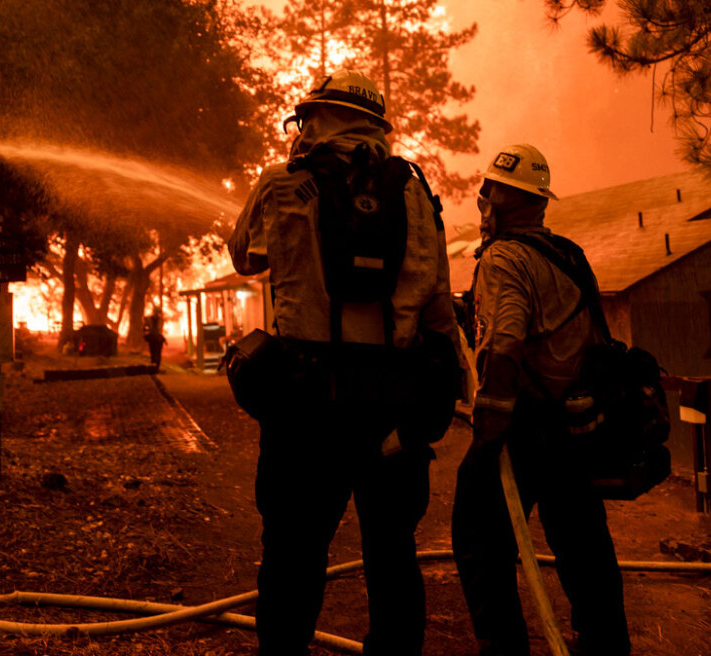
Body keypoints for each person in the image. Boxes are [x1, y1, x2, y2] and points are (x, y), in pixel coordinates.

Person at [227, 69, 464, 656]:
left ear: (315, 118)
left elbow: (244, 258)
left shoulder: (283, 182)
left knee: (292, 553)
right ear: (375, 124)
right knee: (392, 554)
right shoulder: (414, 191)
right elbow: (439, 304)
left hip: (306, 404)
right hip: (392, 408)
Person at [452, 144, 631, 656]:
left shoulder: (504, 258)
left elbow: (506, 337)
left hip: (526, 425)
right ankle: (605, 645)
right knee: (584, 544)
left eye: (486, 192)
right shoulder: (566, 253)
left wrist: (491, 417)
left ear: (498, 200)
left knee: (479, 535)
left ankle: (505, 647)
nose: (481, 202)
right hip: (576, 423)